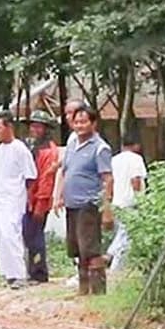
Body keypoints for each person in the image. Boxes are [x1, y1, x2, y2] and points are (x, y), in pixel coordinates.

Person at [53, 107, 113, 295]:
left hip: (89, 205)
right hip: (72, 205)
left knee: (91, 250)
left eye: (84, 121)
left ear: (93, 124)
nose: (79, 125)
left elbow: (107, 179)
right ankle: (83, 289)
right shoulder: (71, 145)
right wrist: (58, 196)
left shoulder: (100, 148)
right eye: (76, 122)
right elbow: (64, 172)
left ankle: (98, 292)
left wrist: (106, 208)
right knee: (78, 249)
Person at [0, 114, 37, 289]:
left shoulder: (20, 149)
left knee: (12, 235)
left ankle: (19, 275)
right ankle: (8, 274)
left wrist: (28, 198)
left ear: (9, 127)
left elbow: (31, 176)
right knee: (2, 236)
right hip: (1, 198)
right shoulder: (1, 149)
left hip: (14, 199)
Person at [24, 111, 61, 283]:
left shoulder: (49, 151)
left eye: (38, 126)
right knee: (29, 235)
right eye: (33, 125)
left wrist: (40, 203)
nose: (34, 129)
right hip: (29, 198)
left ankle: (39, 273)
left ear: (46, 129)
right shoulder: (33, 147)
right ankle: (32, 270)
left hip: (39, 200)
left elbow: (46, 179)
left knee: (35, 237)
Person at [106, 134, 147, 276]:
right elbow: (135, 180)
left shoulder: (114, 160)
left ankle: (111, 256)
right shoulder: (136, 159)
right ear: (136, 145)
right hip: (131, 202)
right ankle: (112, 262)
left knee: (122, 232)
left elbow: (109, 180)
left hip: (117, 201)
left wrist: (108, 198)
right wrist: (140, 199)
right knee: (126, 235)